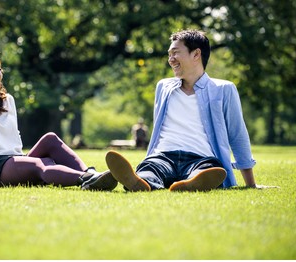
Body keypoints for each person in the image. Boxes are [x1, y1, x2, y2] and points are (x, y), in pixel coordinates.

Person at [105, 29, 260, 192]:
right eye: (169, 54)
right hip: (163, 156)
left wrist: (251, 184)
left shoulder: (223, 89)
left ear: (196, 54)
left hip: (201, 158)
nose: (171, 60)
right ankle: (141, 181)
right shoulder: (163, 87)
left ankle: (192, 183)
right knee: (151, 168)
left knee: (206, 171)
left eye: (175, 53)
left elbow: (237, 134)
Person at [0, 51, 117, 191]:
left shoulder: (7, 100)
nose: (0, 73)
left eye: (1, 69)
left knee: (50, 139)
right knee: (39, 164)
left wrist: (24, 160)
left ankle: (91, 175)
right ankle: (85, 179)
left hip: (15, 159)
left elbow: (14, 136)